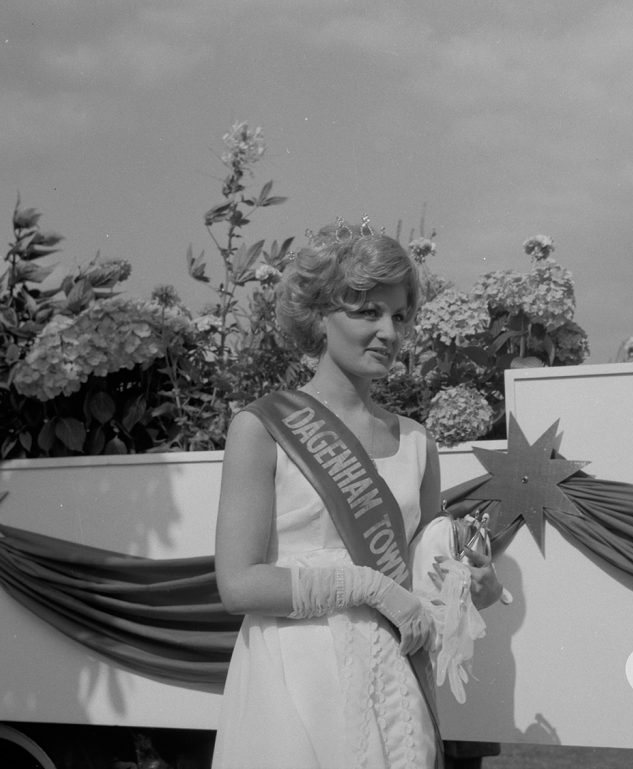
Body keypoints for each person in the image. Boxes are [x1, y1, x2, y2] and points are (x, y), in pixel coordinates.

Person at [212, 221, 502, 769]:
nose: (389, 332)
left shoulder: (417, 442)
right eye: (367, 311)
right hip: (297, 677)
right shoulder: (262, 428)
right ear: (319, 317)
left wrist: (471, 588)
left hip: (392, 681)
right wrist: (369, 585)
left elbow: (423, 578)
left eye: (399, 315)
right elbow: (238, 584)